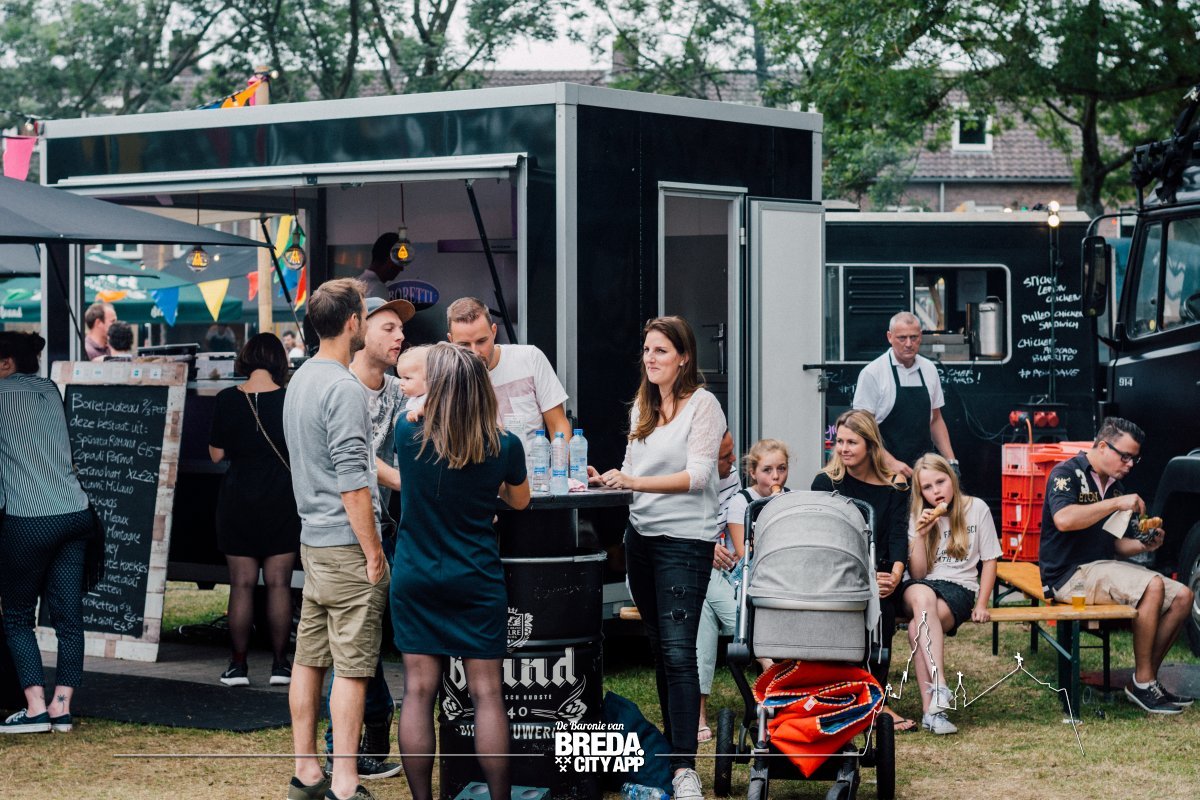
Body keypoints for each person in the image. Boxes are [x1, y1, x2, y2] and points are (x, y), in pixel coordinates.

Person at [589, 316, 726, 800]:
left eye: (661, 350)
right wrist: (607, 479)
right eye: (647, 349)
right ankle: (672, 755)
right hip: (641, 539)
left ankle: (685, 769)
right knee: (661, 650)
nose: (650, 358)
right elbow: (631, 468)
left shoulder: (703, 405)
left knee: (679, 652)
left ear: (684, 358)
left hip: (684, 542)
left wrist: (633, 482)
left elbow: (698, 476)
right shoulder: (643, 405)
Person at [391, 343, 530, 800]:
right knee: (487, 694)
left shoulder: (407, 432)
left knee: (418, 692)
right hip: (475, 577)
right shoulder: (504, 445)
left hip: (415, 576)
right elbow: (520, 501)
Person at [282, 278, 387, 800]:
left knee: (310, 658)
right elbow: (352, 481)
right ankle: (345, 783)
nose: (366, 321)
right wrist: (374, 552)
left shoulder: (301, 377)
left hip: (313, 538)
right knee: (353, 667)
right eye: (365, 314)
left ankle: (306, 772)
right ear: (352, 323)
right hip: (346, 543)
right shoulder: (343, 387)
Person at [1039, 418, 1194, 714]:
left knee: (1184, 596)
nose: (1130, 464)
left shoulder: (1114, 487)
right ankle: (1145, 683)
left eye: (1134, 458)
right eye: (1125, 456)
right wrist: (1116, 504)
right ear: (1102, 446)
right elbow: (1064, 520)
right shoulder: (1066, 473)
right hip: (1069, 575)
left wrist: (1145, 544)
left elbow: (1115, 545)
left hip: (1101, 567)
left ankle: (1144, 681)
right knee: (1153, 585)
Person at [322, 295, 415, 782]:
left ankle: (375, 731)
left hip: (392, 528)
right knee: (354, 641)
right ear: (359, 330)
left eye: (401, 328)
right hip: (348, 529)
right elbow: (358, 459)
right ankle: (346, 748)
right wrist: (410, 481)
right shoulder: (342, 388)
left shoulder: (402, 389)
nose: (400, 336)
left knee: (381, 635)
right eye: (388, 327)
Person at [0, 332, 92, 734]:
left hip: (30, 517)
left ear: (6, 362)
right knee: (69, 616)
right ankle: (62, 707)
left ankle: (35, 708)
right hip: (76, 512)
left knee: (18, 615)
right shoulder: (50, 389)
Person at [208, 334, 301, 689]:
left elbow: (216, 455)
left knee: (242, 584)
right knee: (279, 584)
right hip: (281, 499)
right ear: (279, 361)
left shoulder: (226, 399)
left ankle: (237, 666)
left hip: (237, 500)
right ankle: (280, 665)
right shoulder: (290, 399)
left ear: (246, 358)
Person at [811, 410, 912, 730]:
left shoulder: (895, 484)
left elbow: (898, 535)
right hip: (837, 570)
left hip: (878, 570)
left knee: (883, 605)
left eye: (852, 442)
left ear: (870, 445)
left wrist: (895, 575)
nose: (843, 448)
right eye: (839, 441)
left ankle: (878, 700)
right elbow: (821, 536)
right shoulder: (826, 482)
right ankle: (841, 692)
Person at [901, 454, 1001, 735]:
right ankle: (940, 685)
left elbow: (990, 560)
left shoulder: (976, 508)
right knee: (923, 597)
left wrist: (982, 603)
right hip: (921, 586)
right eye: (927, 487)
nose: (936, 491)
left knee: (916, 627)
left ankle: (931, 713)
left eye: (940, 482)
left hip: (959, 589)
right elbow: (918, 573)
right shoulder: (917, 516)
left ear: (952, 479)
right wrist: (921, 535)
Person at [446, 297, 571, 448]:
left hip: (531, 463)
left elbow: (558, 425)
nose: (475, 352)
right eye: (464, 344)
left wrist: (562, 462)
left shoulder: (529, 358)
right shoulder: (446, 376)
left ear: (494, 331)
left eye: (481, 341)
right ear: (451, 341)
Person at [852, 311, 956, 477]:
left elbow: (936, 420)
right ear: (890, 337)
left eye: (913, 337)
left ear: (921, 336)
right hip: (883, 471)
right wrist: (890, 462)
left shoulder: (929, 369)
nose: (908, 344)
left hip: (922, 471)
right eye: (902, 338)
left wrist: (951, 461)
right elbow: (860, 429)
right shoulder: (873, 373)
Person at [696, 430, 740, 741]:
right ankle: (754, 638)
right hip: (672, 568)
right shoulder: (679, 480)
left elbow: (728, 529)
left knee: (702, 609)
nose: (733, 460)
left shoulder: (730, 476)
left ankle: (697, 712)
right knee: (701, 581)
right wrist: (702, 546)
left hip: (712, 575)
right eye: (725, 457)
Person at [359, 233, 402, 300]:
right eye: (399, 262)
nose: (401, 268)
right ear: (389, 259)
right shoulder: (378, 288)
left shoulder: (354, 284)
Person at [396, 345, 430, 417]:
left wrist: (418, 412)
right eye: (401, 378)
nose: (401, 383)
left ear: (428, 378)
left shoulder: (430, 398)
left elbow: (432, 408)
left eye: (407, 378)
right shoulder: (413, 398)